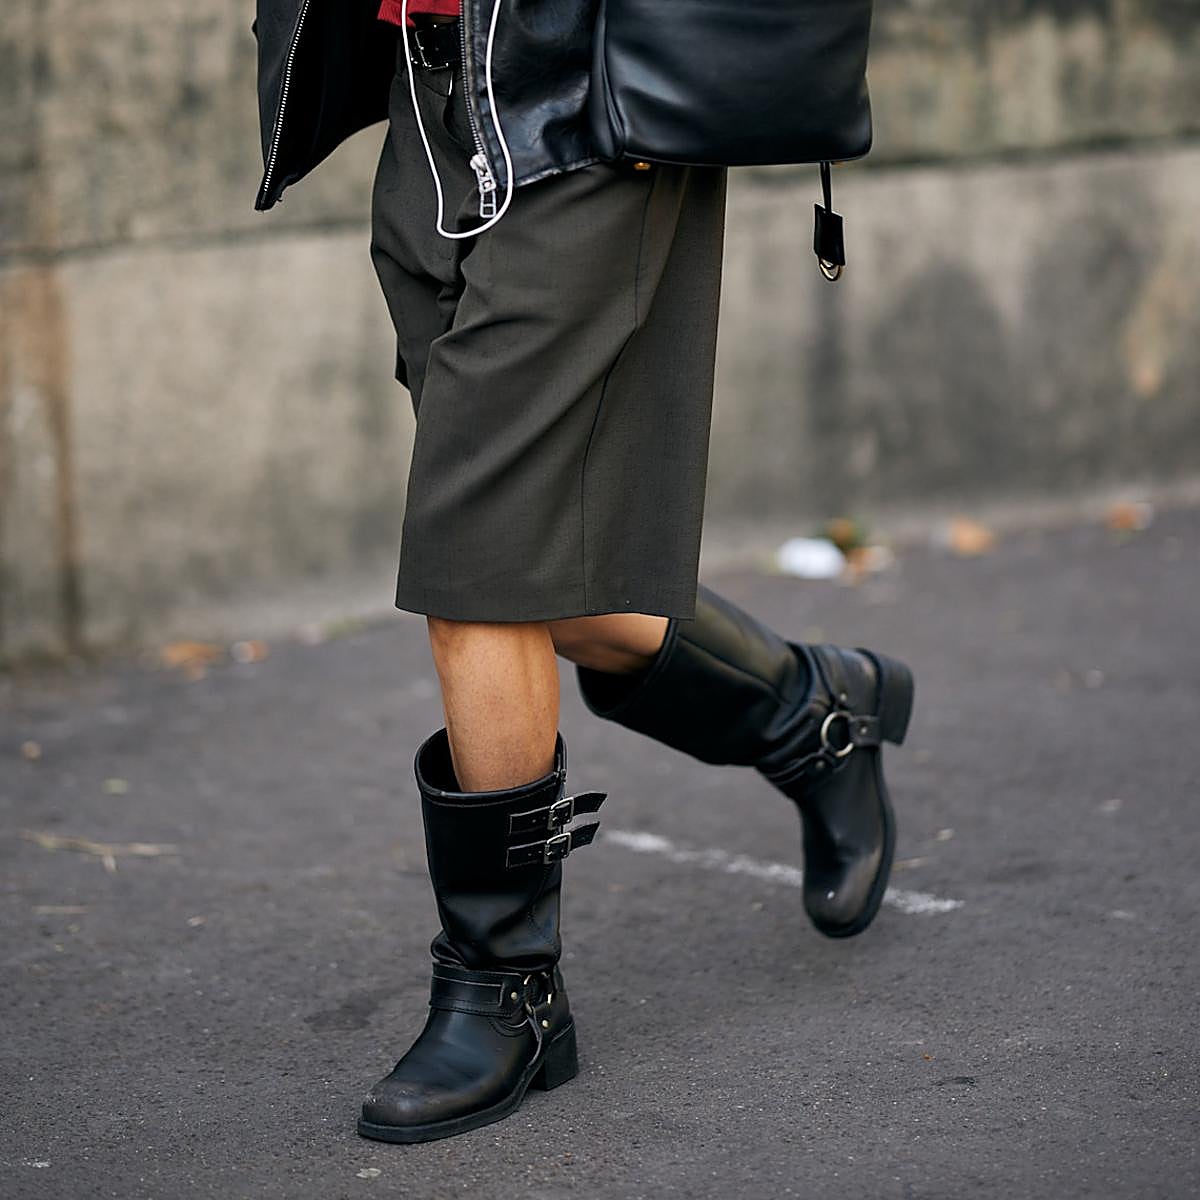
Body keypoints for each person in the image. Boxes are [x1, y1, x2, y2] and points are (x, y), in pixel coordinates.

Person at [252, 0, 914, 1145]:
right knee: (540, 583)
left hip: (582, 105)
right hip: (429, 98)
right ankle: (814, 714)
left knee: (476, 572)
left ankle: (506, 987)